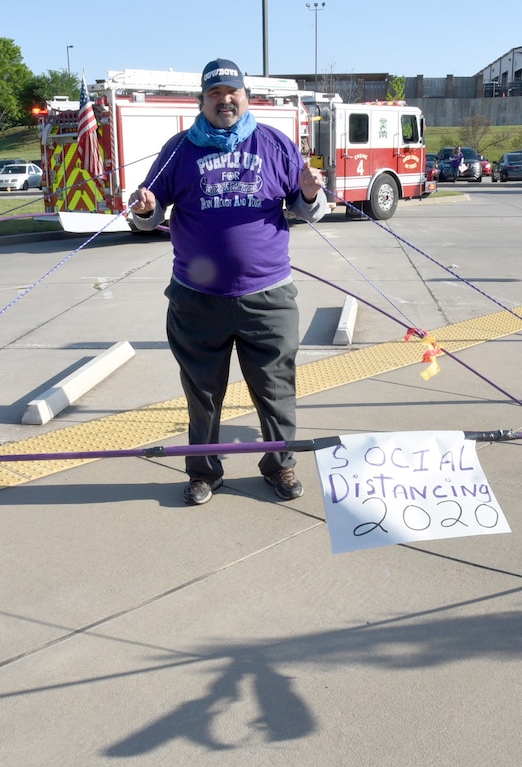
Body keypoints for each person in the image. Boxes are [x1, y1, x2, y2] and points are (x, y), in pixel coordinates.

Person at [128, 58, 329, 506]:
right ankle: (203, 471)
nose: (225, 100)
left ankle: (280, 465)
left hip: (269, 297)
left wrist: (312, 193)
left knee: (276, 389)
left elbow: (306, 207)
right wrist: (143, 209)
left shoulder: (274, 144)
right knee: (202, 394)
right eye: (215, 94)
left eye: (231, 92)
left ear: (246, 96)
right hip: (197, 301)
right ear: (201, 101)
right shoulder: (179, 149)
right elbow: (150, 212)